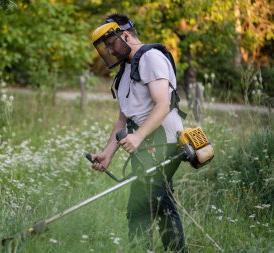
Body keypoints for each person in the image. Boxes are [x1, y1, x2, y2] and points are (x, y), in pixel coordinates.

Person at [90, 13, 187, 252]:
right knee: (158, 203)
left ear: (125, 35)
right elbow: (123, 119)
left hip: (163, 142)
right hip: (146, 145)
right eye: (106, 48)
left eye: (111, 44)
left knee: (143, 206)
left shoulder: (151, 58)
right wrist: (107, 154)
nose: (109, 52)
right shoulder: (125, 71)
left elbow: (162, 104)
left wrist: (138, 136)